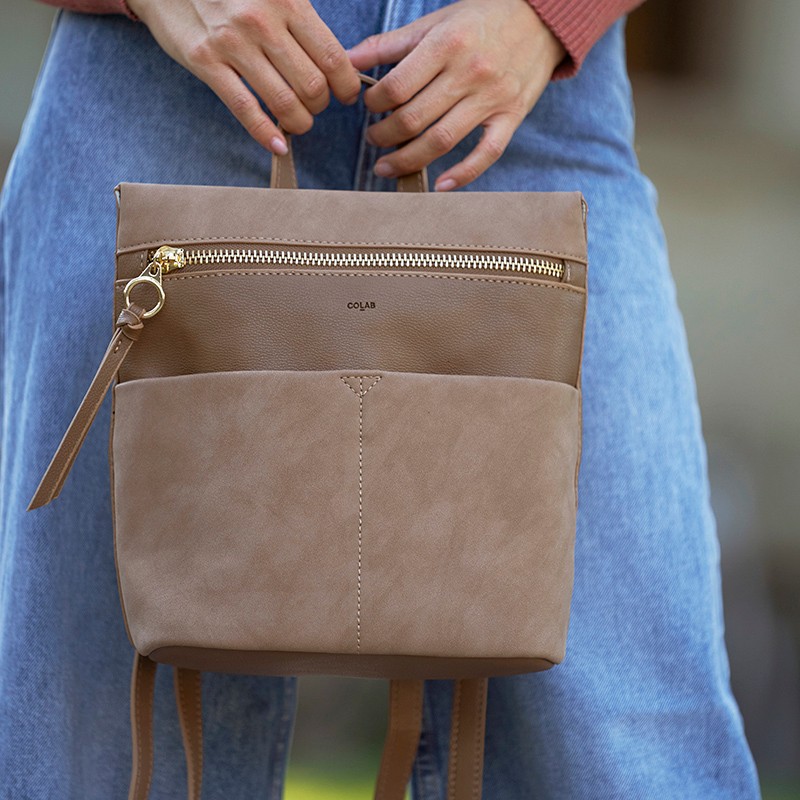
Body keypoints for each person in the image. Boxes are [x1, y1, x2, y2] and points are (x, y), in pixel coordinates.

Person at [0, 0, 761, 797]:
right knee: (92, 740)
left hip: (517, 92)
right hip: (159, 82)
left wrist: (550, 14)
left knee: (628, 739)